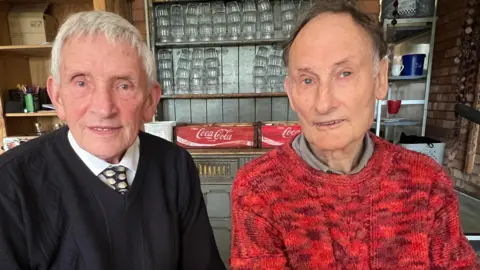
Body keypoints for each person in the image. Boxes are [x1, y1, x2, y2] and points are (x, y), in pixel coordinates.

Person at [230, 2, 478, 269]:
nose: (323, 104)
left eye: (344, 74)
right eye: (308, 80)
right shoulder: (259, 188)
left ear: (380, 79)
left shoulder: (426, 181)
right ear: (291, 93)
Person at [0, 11, 225, 270]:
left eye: (124, 85)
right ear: (57, 97)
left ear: (150, 101)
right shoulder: (9, 185)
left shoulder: (174, 164)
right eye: (81, 83)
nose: (104, 108)